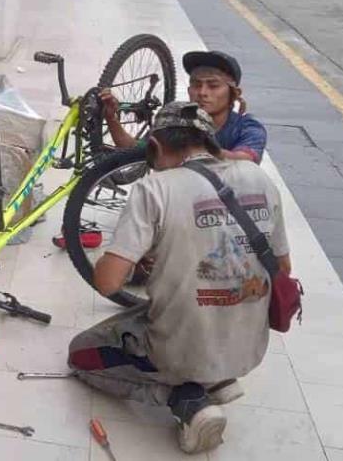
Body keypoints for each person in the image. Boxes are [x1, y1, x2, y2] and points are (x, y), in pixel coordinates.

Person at [67, 102, 292, 453]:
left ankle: (187, 397)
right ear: (210, 140)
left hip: (182, 350)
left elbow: (107, 282)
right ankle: (216, 380)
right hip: (248, 347)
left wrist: (136, 254)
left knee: (81, 355)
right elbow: (284, 268)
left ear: (155, 146)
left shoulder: (155, 188)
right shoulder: (259, 178)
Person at [100, 50, 266, 164]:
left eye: (213, 85)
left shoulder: (247, 128)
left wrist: (195, 151)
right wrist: (111, 118)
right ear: (188, 90)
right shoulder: (176, 122)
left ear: (234, 94)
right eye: (196, 85)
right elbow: (132, 150)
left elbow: (245, 160)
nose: (202, 92)